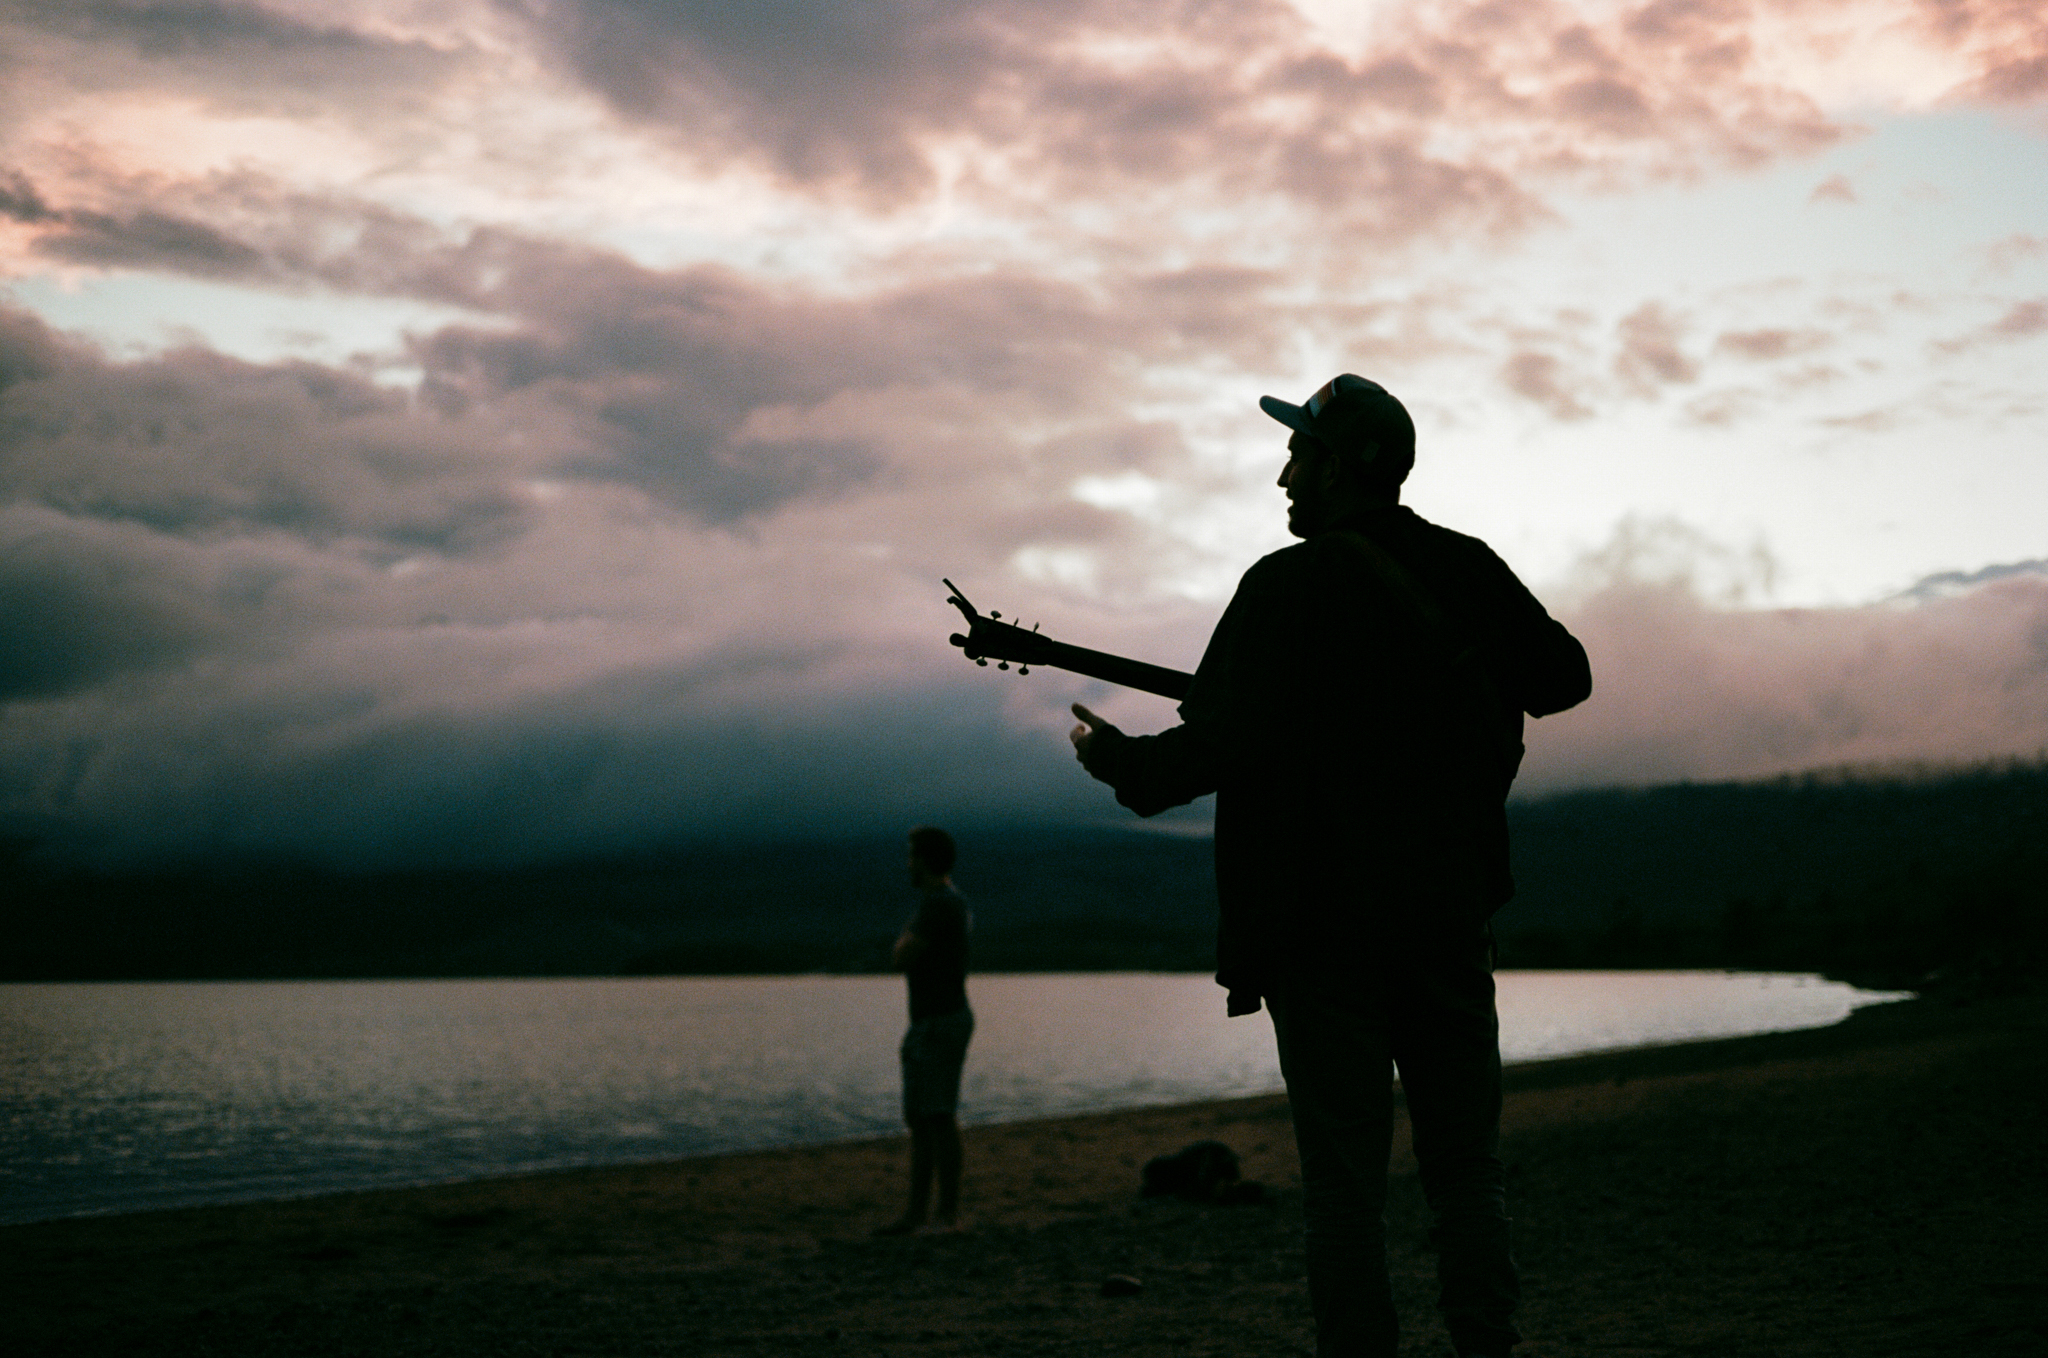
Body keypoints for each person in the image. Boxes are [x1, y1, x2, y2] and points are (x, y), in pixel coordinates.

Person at [1067, 375, 1590, 1358]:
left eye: (1299, 454)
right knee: (1463, 1167)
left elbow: (1204, 751)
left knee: (1343, 1184)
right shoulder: (1462, 565)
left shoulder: (1284, 584)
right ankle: (1487, 1343)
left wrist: (1117, 760)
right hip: (1443, 914)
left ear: (1344, 464)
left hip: (1320, 931)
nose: (1282, 475)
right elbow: (1564, 676)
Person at [875, 825, 974, 1236]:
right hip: (931, 1022)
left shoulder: (938, 906)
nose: (907, 863)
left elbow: (902, 956)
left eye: (911, 855)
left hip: (941, 1022)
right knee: (921, 1116)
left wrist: (903, 944)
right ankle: (917, 1214)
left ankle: (945, 1216)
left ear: (926, 859)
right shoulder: (943, 903)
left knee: (938, 1116)